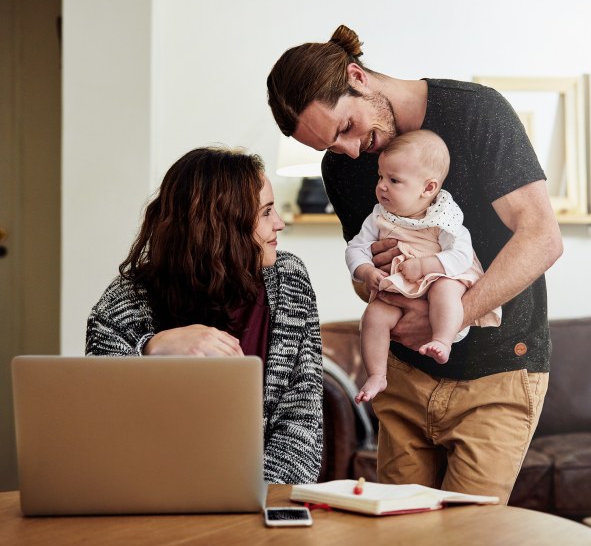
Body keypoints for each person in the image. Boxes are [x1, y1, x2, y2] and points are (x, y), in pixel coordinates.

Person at [267, 25, 563, 502]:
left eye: (345, 128)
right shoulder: (343, 167)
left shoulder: (476, 113)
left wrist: (451, 315)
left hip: (498, 374)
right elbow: (366, 273)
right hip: (402, 383)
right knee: (400, 533)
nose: (346, 151)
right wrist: (376, 281)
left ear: (357, 76)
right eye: (329, 147)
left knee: (468, 535)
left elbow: (542, 238)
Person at [86, 146, 323, 485]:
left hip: (258, 495)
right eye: (267, 212)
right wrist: (151, 348)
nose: (280, 223)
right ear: (222, 224)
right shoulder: (126, 299)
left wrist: (256, 500)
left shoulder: (288, 281)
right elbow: (99, 419)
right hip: (145, 491)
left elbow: (301, 421)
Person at [345, 130, 501, 403]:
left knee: (445, 289)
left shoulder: (443, 217)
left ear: (428, 188)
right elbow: (355, 248)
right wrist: (365, 271)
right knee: (374, 315)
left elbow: (462, 255)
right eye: (380, 177)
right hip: (401, 285)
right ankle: (377, 374)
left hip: (439, 274)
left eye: (394, 180)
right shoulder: (379, 216)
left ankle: (442, 339)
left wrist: (428, 265)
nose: (382, 186)